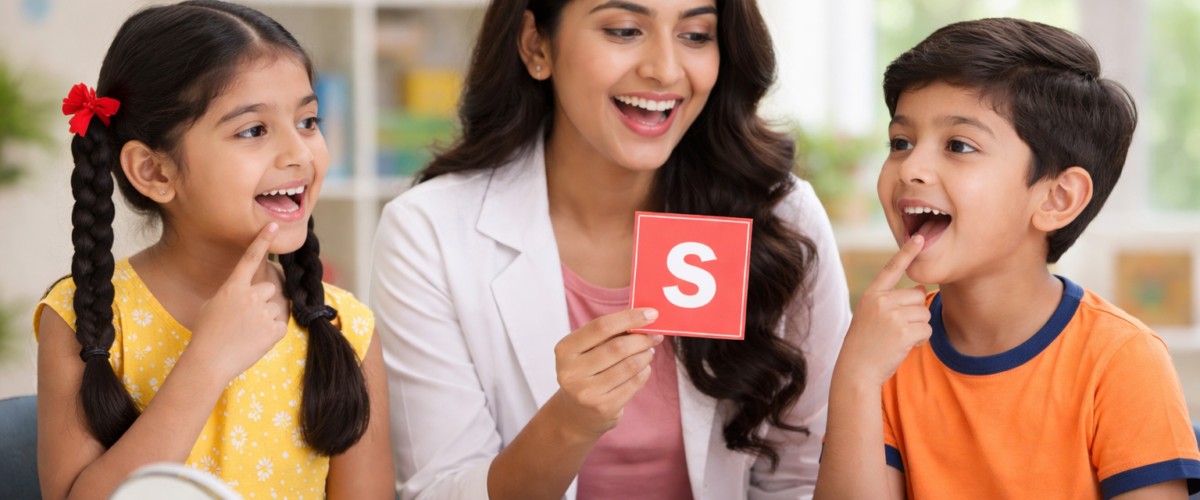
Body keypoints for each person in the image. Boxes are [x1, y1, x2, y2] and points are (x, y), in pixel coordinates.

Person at [370, 0, 851, 499]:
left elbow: (804, 478)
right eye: (624, 30)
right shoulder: (427, 231)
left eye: (696, 35)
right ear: (537, 44)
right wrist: (569, 424)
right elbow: (438, 491)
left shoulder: (782, 219)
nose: (664, 70)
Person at [815, 18, 1200, 500]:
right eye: (900, 143)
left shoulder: (1122, 362)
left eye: (958, 145)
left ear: (1057, 198)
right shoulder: (887, 358)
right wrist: (855, 378)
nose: (910, 168)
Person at [34, 2, 394, 499]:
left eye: (309, 121)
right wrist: (206, 362)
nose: (299, 154)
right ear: (155, 172)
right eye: (253, 130)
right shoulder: (82, 319)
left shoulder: (346, 329)